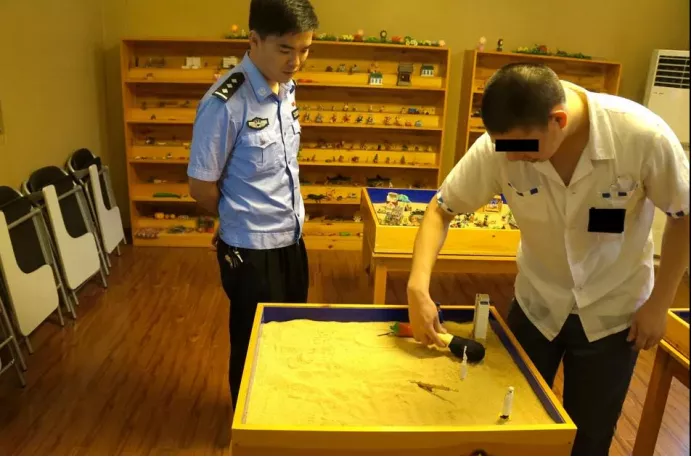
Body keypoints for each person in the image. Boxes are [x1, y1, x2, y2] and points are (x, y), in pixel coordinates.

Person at [407, 63, 690, 455]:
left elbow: (683, 215)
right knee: (512, 425)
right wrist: (417, 286)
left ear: (558, 120)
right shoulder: (503, 146)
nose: (514, 160)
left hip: (613, 312)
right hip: (537, 304)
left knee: (590, 436)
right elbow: (441, 208)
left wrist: (660, 304)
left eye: (524, 151)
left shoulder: (641, 135)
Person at [187, 0, 318, 411]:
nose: (296, 61)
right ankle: (250, 424)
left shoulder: (286, 87)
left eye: (305, 49)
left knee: (290, 333)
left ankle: (282, 415)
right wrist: (233, 219)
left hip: (291, 239)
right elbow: (200, 186)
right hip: (251, 249)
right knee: (253, 344)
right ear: (254, 41)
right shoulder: (225, 101)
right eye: (285, 49)